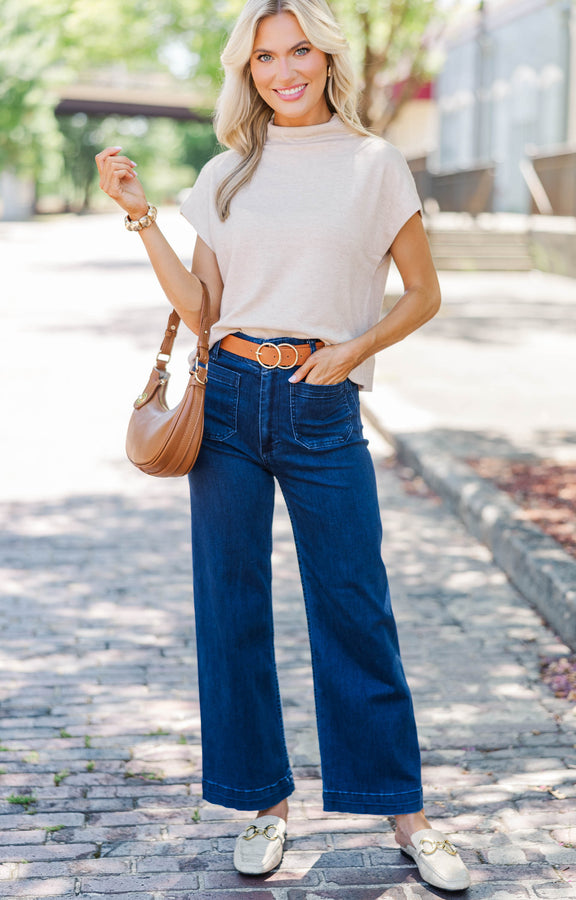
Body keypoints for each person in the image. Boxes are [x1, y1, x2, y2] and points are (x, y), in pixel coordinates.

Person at [96, 0, 470, 891]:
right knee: (231, 608)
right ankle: (265, 806)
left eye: (299, 51)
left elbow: (423, 293)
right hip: (227, 400)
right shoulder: (228, 171)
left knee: (355, 605)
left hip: (320, 403)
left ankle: (406, 813)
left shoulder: (374, 164)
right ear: (247, 70)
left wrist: (353, 350)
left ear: (326, 58)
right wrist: (142, 217)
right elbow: (201, 307)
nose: (283, 71)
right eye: (264, 57)